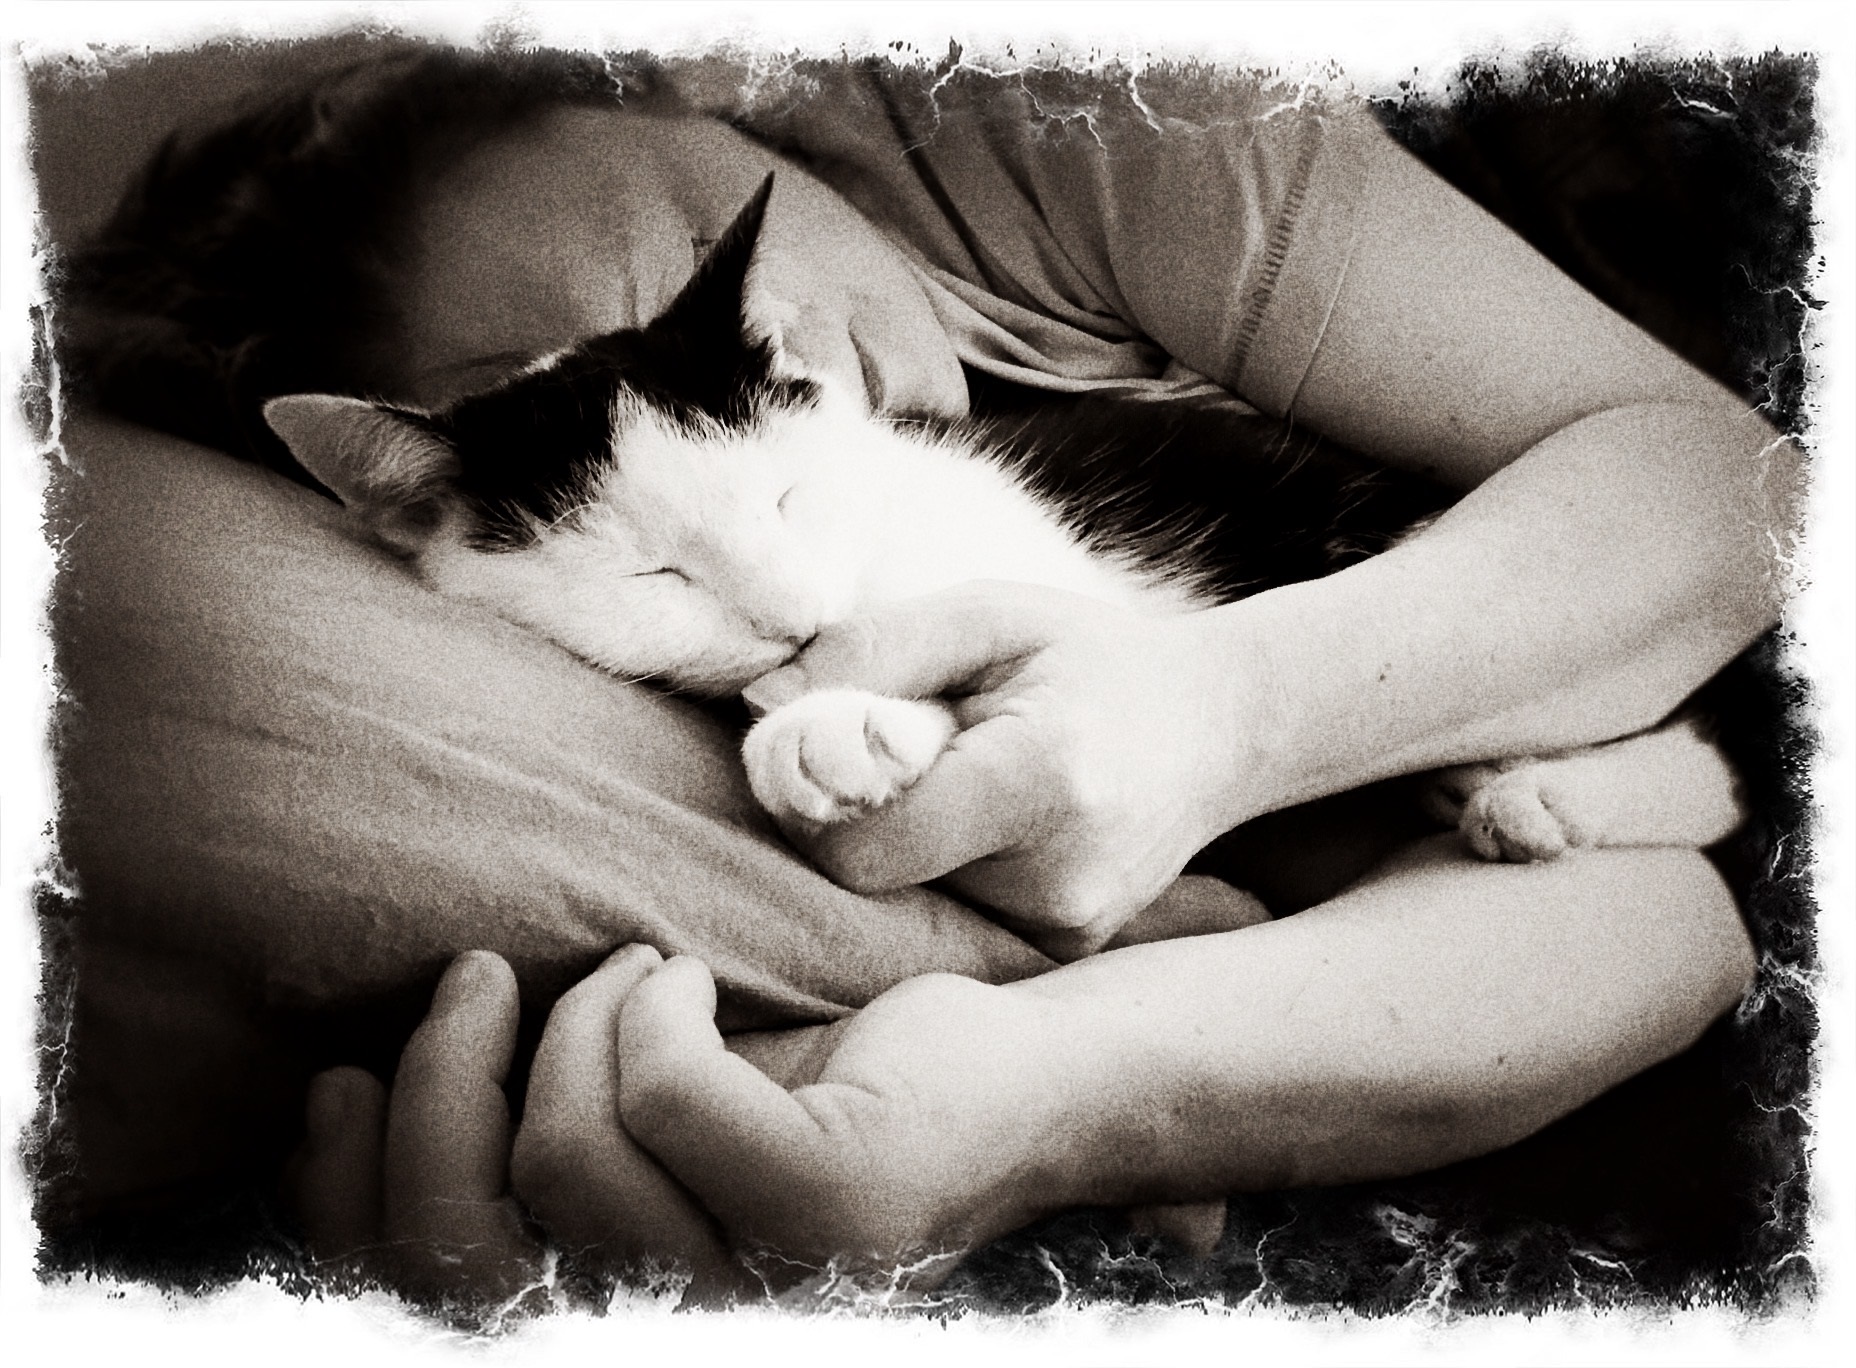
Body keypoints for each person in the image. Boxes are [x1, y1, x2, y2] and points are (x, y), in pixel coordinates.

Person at [70, 46, 1791, 1305]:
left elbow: (1738, 490)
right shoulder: (640, 607)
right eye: (556, 382)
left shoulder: (1061, 118)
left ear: (675, 81)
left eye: (675, 277)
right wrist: (1047, 1099)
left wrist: (1233, 713)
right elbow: (1654, 927)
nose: (746, 367)